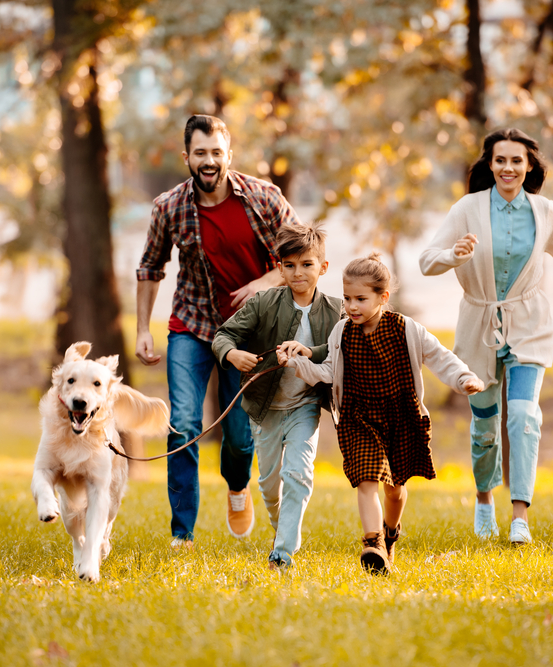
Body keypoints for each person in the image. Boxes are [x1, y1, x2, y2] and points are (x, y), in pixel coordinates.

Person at [418, 127, 553, 545]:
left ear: (529, 166)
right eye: (500, 160)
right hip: (479, 325)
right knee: (485, 426)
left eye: (516, 160)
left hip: (529, 324)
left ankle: (520, 514)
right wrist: (454, 255)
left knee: (523, 416)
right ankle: (484, 499)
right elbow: (426, 261)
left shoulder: (543, 211)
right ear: (489, 164)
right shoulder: (466, 209)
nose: (508, 167)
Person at [136, 114, 299, 548]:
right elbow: (151, 267)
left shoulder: (265, 199)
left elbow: (306, 253)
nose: (209, 161)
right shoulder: (168, 207)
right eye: (200, 153)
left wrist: (263, 283)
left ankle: (236, 486)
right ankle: (182, 533)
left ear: (229, 155)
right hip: (191, 326)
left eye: (216, 153)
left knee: (240, 437)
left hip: (249, 335)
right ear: (186, 156)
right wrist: (142, 330)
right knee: (184, 423)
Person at [278, 254, 484, 573]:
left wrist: (464, 378)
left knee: (395, 489)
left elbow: (440, 356)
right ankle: (372, 543)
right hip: (358, 417)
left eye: (361, 299)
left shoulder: (407, 329)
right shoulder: (342, 332)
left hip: (401, 416)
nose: (352, 306)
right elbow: (328, 370)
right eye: (347, 299)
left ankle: (389, 535)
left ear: (382, 297)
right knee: (367, 478)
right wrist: (296, 363)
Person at [211, 221, 343, 570]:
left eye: (307, 264)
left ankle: (282, 553)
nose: (298, 273)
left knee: (298, 474)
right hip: (265, 408)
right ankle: (280, 527)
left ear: (323, 267)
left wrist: (308, 351)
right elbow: (223, 335)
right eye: (290, 265)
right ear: (279, 266)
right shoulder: (265, 302)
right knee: (270, 485)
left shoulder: (336, 310)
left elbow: (339, 350)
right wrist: (231, 354)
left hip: (305, 406)